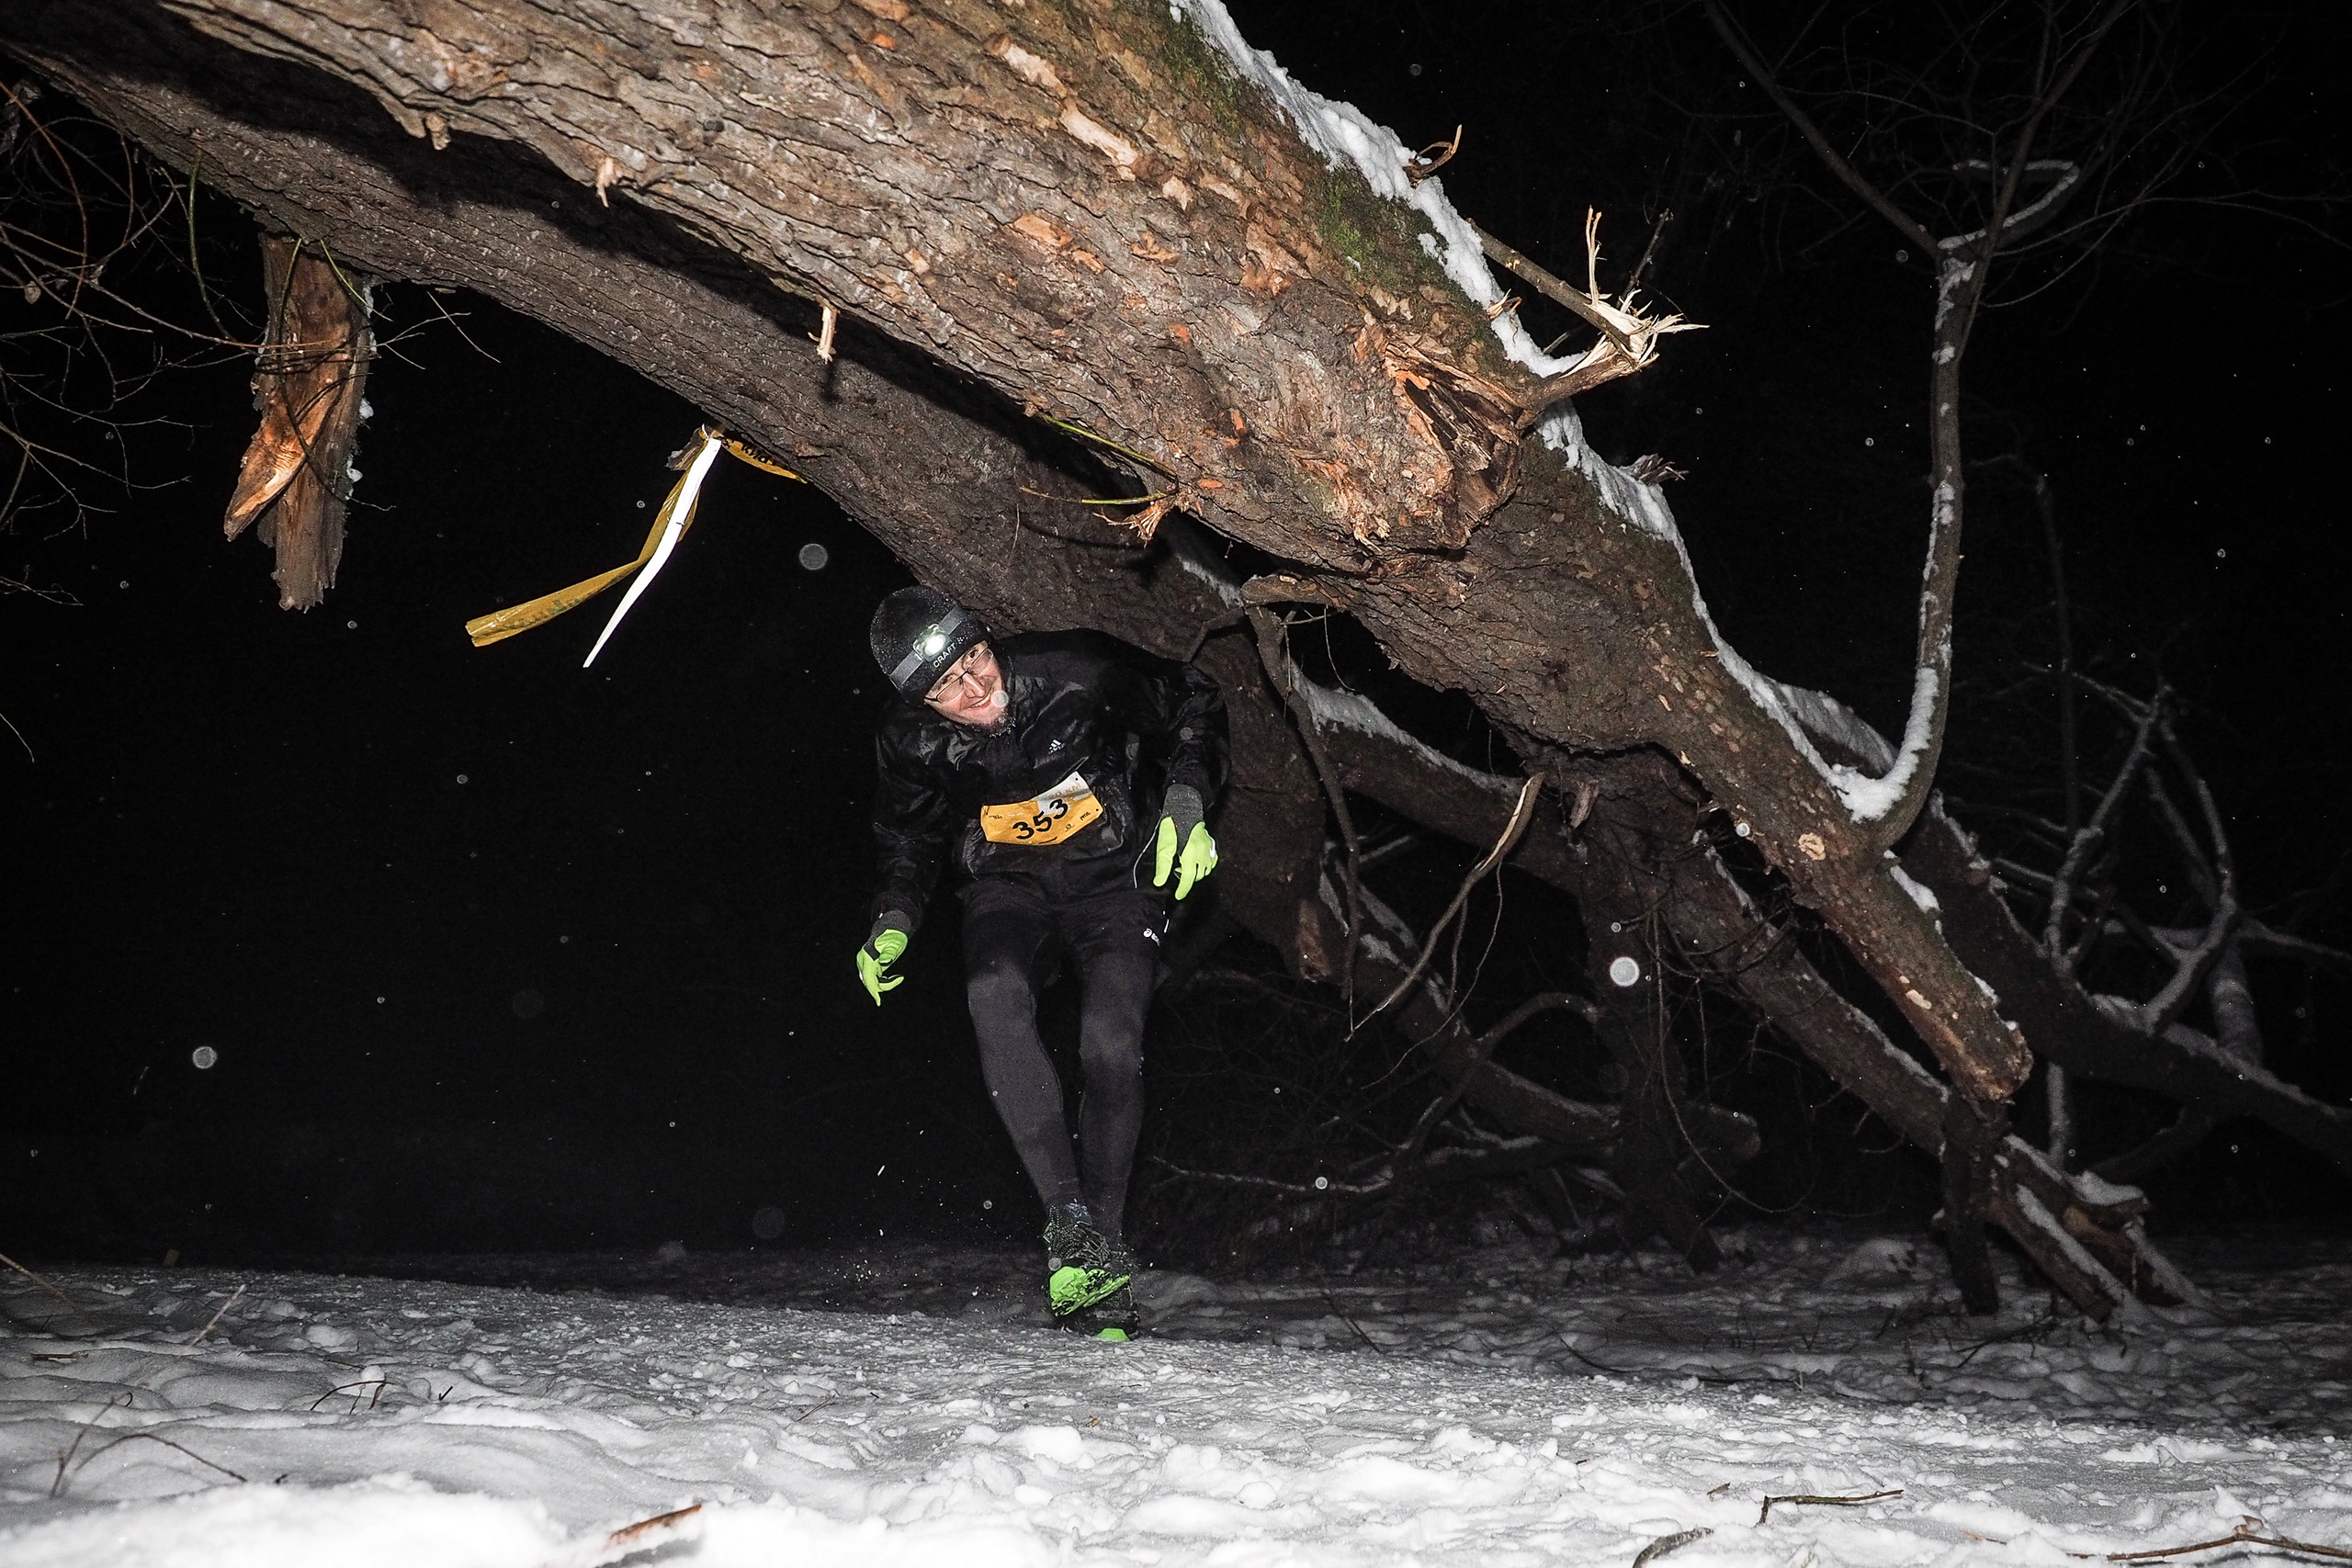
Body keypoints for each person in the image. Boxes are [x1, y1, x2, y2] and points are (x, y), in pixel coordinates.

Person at [856, 586, 1227, 1340]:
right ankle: (1070, 1227)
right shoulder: (910, 743)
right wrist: (894, 919)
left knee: (1111, 1046)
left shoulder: (1076, 671)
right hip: (1008, 887)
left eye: (978, 657)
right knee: (992, 993)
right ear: (922, 705)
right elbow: (909, 839)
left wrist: (1185, 806)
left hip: (1116, 880)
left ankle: (1106, 1245)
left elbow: (1195, 700)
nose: (977, 686)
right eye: (950, 686)